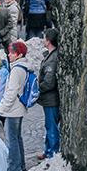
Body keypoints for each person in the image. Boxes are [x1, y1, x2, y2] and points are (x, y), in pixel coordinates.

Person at [0, 41, 31, 171]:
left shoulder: (17, 70)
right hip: (18, 108)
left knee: (12, 139)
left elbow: (11, 92)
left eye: (12, 53)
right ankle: (20, 164)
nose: (9, 55)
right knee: (17, 138)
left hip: (13, 109)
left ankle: (14, 167)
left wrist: (2, 108)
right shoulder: (22, 67)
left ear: (19, 55)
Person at [38, 28, 59, 160]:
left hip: (51, 98)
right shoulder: (50, 55)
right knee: (49, 125)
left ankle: (52, 153)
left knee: (52, 127)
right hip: (49, 98)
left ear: (49, 41)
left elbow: (49, 82)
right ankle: (48, 150)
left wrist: (37, 89)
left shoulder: (52, 59)